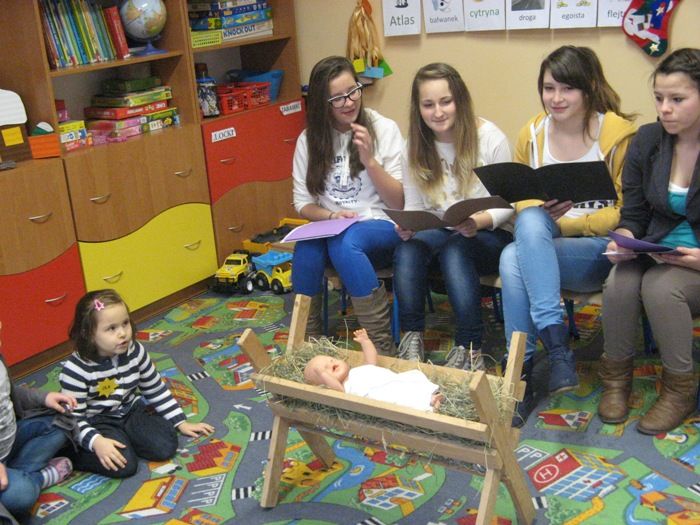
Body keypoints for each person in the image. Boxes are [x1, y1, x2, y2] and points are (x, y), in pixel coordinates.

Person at [498, 45, 637, 426]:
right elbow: (522, 198)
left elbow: (628, 210)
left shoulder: (616, 134)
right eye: (548, 88)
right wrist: (538, 211)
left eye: (567, 89)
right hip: (541, 245)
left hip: (599, 250)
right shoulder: (532, 133)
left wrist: (567, 224)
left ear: (589, 88)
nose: (556, 98)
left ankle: (521, 373)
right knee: (524, 234)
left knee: (513, 257)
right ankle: (553, 351)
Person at [598, 48, 700, 434]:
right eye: (659, 98)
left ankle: (679, 391)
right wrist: (624, 239)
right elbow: (635, 213)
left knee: (660, 289)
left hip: (694, 261)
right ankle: (616, 382)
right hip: (658, 249)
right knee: (619, 284)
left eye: (677, 99)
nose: (665, 109)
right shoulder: (648, 140)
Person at [393, 62, 514, 369]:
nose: (438, 112)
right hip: (443, 230)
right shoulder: (414, 146)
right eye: (428, 104)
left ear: (459, 99)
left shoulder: (490, 138)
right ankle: (411, 339)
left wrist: (477, 222)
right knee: (408, 248)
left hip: (491, 233)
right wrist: (408, 226)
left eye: (445, 102)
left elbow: (507, 204)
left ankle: (469, 349)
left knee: (455, 251)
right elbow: (415, 205)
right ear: (418, 108)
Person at [291, 56, 405, 355]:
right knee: (307, 247)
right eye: (338, 98)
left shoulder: (384, 128)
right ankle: (307, 344)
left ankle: (381, 347)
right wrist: (331, 215)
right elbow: (302, 203)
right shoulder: (309, 140)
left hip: (379, 223)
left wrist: (370, 160)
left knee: (345, 242)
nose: (349, 101)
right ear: (322, 103)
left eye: (353, 91)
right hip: (332, 225)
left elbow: (399, 202)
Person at [59, 290, 215, 478]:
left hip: (130, 410)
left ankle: (126, 438)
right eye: (111, 328)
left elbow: (155, 388)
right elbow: (73, 419)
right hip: (97, 421)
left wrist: (181, 422)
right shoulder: (76, 370)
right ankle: (73, 453)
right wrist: (97, 442)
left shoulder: (135, 350)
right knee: (124, 465)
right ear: (88, 334)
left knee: (165, 447)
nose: (123, 333)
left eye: (125, 323)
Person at [0, 321, 76, 524]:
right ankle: (39, 478)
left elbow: (9, 393)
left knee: (62, 422)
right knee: (21, 496)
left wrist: (44, 398)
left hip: (10, 442)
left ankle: (18, 472)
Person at [304, 328, 442, 412]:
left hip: (393, 379)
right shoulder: (344, 389)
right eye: (325, 369)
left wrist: (365, 342)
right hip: (383, 393)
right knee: (399, 400)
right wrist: (322, 373)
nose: (330, 363)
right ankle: (429, 404)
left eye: (331, 359)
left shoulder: (357, 370)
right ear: (325, 383)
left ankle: (429, 393)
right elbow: (336, 390)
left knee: (413, 377)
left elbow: (371, 359)